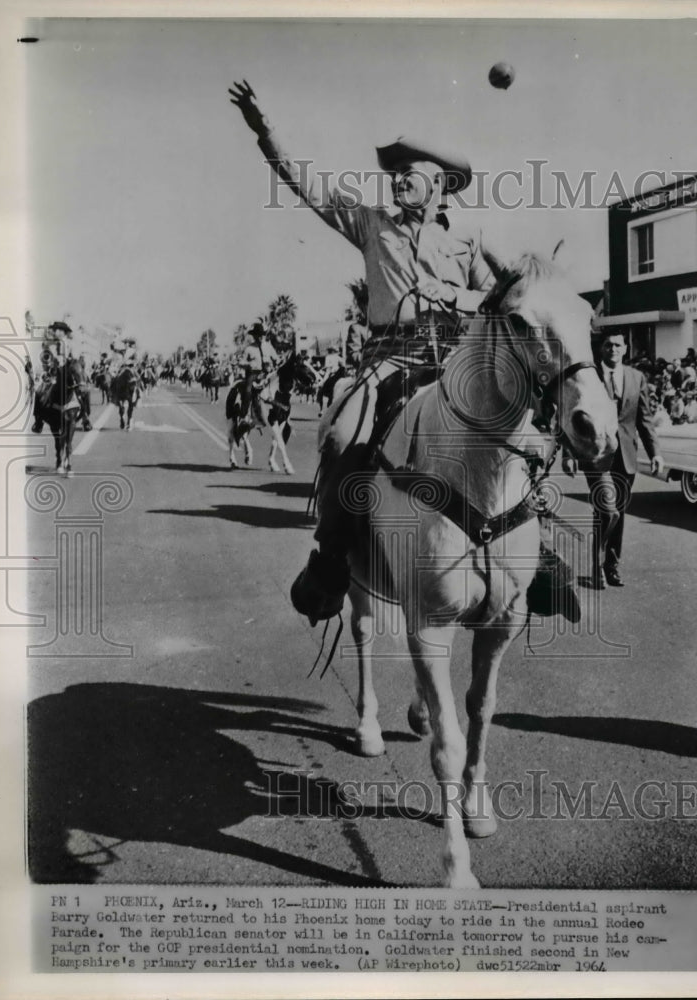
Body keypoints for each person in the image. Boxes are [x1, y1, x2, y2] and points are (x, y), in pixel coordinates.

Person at [229, 80, 554, 624]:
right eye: (397, 170)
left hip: (457, 359)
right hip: (389, 361)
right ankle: (331, 560)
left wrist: (454, 295)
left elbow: (502, 296)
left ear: (440, 185)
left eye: (413, 171)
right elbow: (308, 186)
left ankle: (539, 559)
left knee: (524, 439)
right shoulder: (371, 223)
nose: (400, 177)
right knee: (340, 434)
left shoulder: (468, 237)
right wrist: (266, 131)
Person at [563, 331, 663, 588]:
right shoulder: (589, 375)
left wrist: (655, 453)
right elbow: (571, 414)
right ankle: (597, 566)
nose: (613, 349)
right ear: (601, 350)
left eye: (618, 345)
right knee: (607, 510)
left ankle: (611, 566)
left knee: (618, 512)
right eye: (608, 345)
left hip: (626, 455)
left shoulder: (636, 377)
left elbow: (644, 419)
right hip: (596, 454)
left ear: (626, 349)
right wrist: (569, 453)